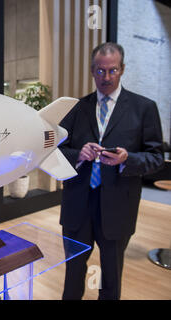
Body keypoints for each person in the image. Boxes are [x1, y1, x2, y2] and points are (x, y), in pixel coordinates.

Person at [58, 42, 164, 300]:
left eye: (112, 71)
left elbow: (156, 157)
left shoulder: (144, 108)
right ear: (92, 70)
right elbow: (55, 149)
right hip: (78, 205)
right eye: (100, 71)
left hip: (118, 207)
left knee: (111, 276)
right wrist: (78, 155)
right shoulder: (75, 108)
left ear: (122, 69)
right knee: (73, 272)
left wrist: (127, 160)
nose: (106, 77)